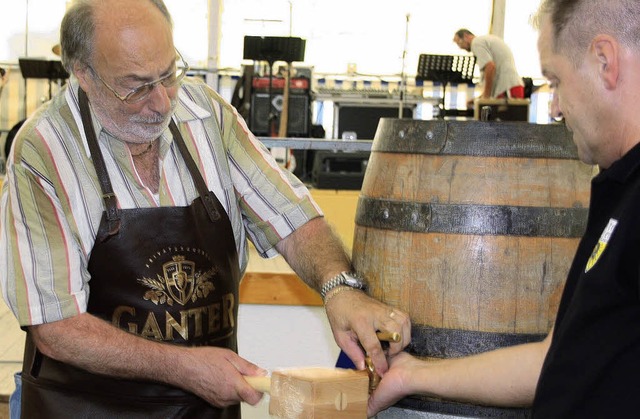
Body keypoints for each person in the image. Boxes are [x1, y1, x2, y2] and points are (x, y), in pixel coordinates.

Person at [0, 0, 410, 417]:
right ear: (83, 74)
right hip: (86, 408)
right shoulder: (43, 152)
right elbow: (56, 326)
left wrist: (338, 287)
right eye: (136, 86)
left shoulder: (208, 116)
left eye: (168, 75)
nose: (161, 102)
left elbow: (293, 217)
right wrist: (184, 367)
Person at [369, 0, 640, 417]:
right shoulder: (618, 190)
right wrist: (413, 375)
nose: (554, 107)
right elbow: (557, 359)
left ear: (605, 61)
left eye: (556, 80)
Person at [453, 28, 524, 101]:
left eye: (459, 42)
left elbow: (490, 66)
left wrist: (485, 98)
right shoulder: (485, 40)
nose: (460, 47)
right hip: (510, 87)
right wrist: (479, 98)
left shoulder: (476, 43)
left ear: (466, 36)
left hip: (506, 89)